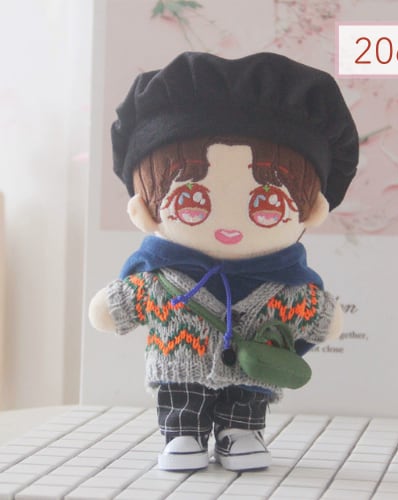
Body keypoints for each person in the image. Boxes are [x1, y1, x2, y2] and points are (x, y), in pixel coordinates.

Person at [88, 52, 358, 472]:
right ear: (143, 211)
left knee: (246, 399)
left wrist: (327, 317)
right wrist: (110, 306)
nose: (229, 224)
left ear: (312, 212)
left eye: (267, 203)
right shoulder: (160, 282)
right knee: (181, 398)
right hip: (179, 369)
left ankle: (241, 432)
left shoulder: (285, 289)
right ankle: (183, 433)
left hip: (252, 373)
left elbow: (319, 316)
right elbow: (116, 307)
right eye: (191, 200)